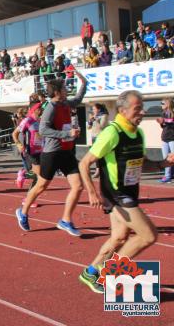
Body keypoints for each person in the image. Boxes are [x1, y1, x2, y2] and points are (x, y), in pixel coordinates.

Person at [78, 90, 174, 293]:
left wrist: (164, 163)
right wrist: (91, 192)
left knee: (119, 237)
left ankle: (91, 272)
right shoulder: (112, 133)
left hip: (130, 192)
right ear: (122, 110)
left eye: (143, 108)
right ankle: (108, 273)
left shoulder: (138, 133)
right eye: (137, 108)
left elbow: (142, 164)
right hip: (116, 194)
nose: (142, 112)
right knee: (148, 236)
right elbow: (84, 163)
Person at [16, 70, 88, 236]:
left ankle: (66, 220)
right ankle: (23, 211)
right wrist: (66, 134)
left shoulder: (65, 104)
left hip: (67, 152)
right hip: (52, 152)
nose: (66, 89)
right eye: (64, 87)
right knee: (41, 185)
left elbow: (77, 99)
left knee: (78, 186)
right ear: (57, 92)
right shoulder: (51, 107)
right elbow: (43, 129)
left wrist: (84, 84)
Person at [13, 102, 44, 190]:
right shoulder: (27, 120)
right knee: (39, 175)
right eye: (39, 108)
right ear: (34, 110)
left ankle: (24, 174)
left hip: (40, 151)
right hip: (30, 151)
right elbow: (14, 134)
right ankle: (23, 174)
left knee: (38, 176)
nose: (41, 110)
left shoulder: (41, 121)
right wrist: (19, 144)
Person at [87, 103, 109, 178]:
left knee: (101, 154)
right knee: (95, 154)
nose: (93, 110)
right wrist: (90, 121)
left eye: (94, 109)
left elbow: (102, 126)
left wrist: (95, 119)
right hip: (94, 137)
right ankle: (97, 171)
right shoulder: (94, 116)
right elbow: (88, 127)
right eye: (92, 109)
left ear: (98, 109)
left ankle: (103, 171)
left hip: (100, 137)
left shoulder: (104, 116)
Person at [157, 98, 174, 183]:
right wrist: (161, 123)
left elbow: (171, 123)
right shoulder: (163, 113)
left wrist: (165, 121)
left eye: (162, 103)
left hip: (172, 139)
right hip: (165, 138)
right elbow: (164, 126)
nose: (161, 105)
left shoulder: (172, 113)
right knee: (166, 158)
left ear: (168, 104)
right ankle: (167, 176)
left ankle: (170, 175)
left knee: (173, 158)